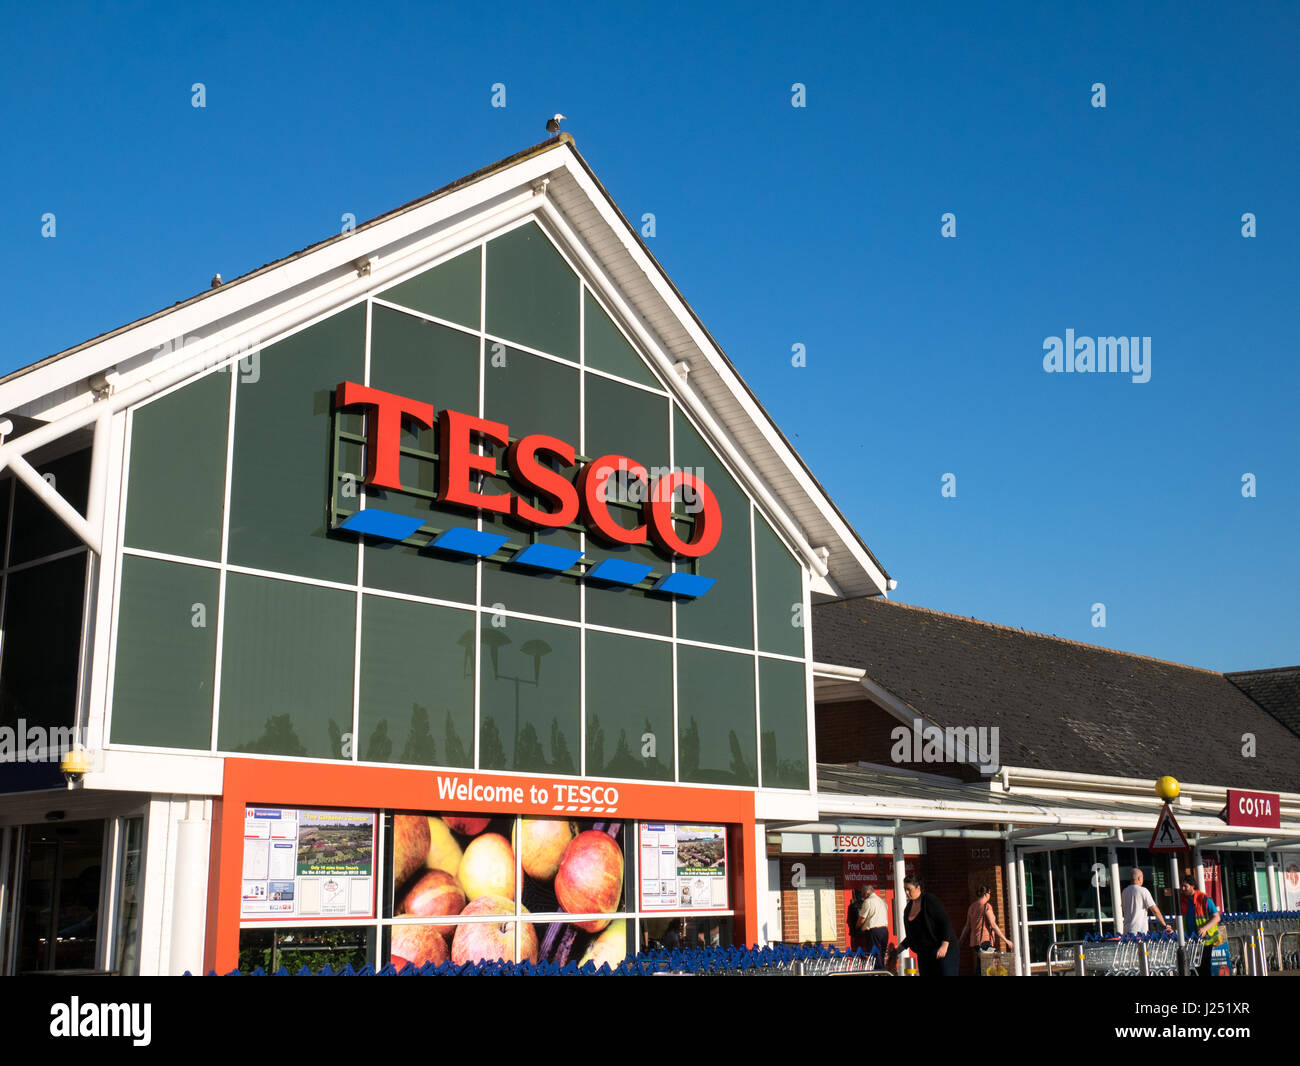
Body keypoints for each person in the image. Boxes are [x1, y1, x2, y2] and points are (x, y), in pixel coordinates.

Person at [889, 874, 958, 976]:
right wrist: (897, 950)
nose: (906, 892)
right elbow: (911, 937)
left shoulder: (930, 900)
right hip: (924, 953)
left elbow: (945, 922)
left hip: (944, 950)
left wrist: (944, 945)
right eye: (905, 889)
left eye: (909, 889)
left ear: (918, 887)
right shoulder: (908, 909)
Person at [957, 885, 1012, 975]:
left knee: (981, 968)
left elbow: (967, 926)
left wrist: (960, 940)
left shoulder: (972, 907)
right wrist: (1006, 940)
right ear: (986, 894)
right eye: (990, 893)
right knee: (988, 969)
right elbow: (993, 925)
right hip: (985, 942)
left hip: (975, 942)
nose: (990, 895)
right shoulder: (986, 906)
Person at [1179, 873, 1224, 977]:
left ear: (1192, 886)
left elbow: (1217, 917)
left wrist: (1204, 928)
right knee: (1194, 968)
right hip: (1191, 939)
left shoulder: (1204, 898)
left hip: (1206, 940)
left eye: (1185, 886)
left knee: (1204, 967)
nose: (1183, 888)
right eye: (1182, 886)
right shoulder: (1183, 900)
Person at [1121, 868, 1172, 936]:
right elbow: (1154, 910)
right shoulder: (1143, 891)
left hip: (1127, 930)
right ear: (1139, 878)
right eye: (1142, 877)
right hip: (1139, 931)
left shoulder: (1124, 891)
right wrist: (1164, 924)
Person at [860, 883, 890, 962]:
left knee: (875, 957)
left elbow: (862, 919)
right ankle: (882, 972)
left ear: (867, 893)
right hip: (884, 931)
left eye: (862, 894)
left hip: (874, 932)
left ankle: (878, 973)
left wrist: (857, 927)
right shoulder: (882, 901)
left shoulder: (868, 902)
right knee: (882, 955)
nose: (862, 896)